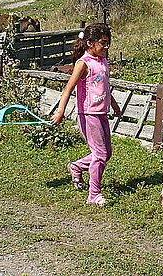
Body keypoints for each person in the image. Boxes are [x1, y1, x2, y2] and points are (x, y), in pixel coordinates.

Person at [52, 23, 122, 206]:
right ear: (90, 43)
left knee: (106, 154)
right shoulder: (84, 64)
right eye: (103, 43)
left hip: (102, 113)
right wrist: (60, 112)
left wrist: (114, 105)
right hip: (88, 114)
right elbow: (68, 89)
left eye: (108, 43)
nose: (106, 47)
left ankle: (76, 167)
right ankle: (94, 194)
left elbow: (104, 87)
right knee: (100, 154)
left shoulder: (102, 61)